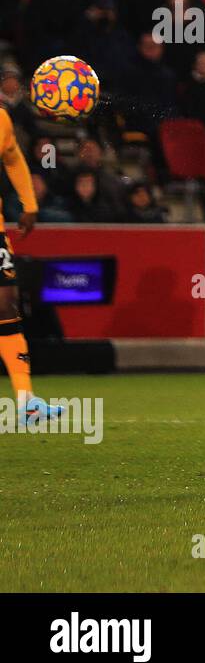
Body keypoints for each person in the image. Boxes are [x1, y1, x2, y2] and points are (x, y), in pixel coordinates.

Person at [0, 105, 62, 425]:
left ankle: (26, 401)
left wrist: (29, 203)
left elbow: (11, 155)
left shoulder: (2, 118)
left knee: (6, 306)